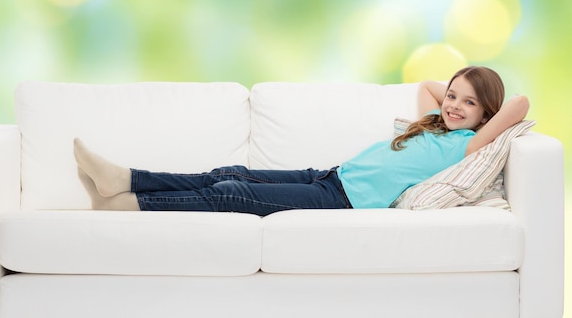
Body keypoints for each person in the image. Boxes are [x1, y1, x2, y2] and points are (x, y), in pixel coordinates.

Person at [74, 66, 529, 215]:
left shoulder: (467, 145)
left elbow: (520, 104)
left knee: (232, 194)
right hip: (330, 176)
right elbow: (429, 88)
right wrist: (450, 94)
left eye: (468, 104)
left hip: (343, 201)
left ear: (485, 115)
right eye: (453, 96)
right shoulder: (432, 123)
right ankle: (126, 178)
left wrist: (482, 112)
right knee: (229, 173)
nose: (452, 105)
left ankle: (131, 203)